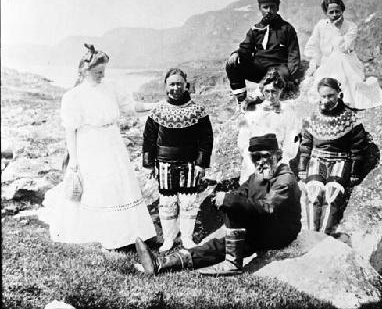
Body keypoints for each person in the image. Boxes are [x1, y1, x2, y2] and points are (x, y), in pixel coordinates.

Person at [39, 44, 156, 250]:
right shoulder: (73, 97)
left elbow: (130, 106)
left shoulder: (111, 88)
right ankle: (106, 236)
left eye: (104, 71)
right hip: (91, 147)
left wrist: (155, 105)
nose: (102, 75)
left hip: (113, 144)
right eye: (98, 72)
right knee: (100, 189)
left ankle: (131, 234)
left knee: (120, 186)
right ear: (85, 71)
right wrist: (74, 161)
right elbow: (70, 131)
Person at [135, 133, 302, 276]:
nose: (261, 161)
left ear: (278, 155)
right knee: (220, 243)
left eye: (266, 156)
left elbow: (268, 208)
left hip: (280, 232)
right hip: (263, 227)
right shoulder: (258, 175)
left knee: (232, 212)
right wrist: (223, 198)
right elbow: (240, 194)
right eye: (257, 157)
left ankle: (232, 265)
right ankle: (161, 263)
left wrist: (229, 200)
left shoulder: (284, 179)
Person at [142, 68, 214, 252]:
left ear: (186, 85)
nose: (175, 88)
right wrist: (149, 165)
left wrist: (201, 163)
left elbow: (206, 139)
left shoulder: (197, 111)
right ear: (165, 86)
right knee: (167, 202)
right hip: (164, 164)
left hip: (190, 163)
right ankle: (168, 239)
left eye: (179, 84)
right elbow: (149, 140)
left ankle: (187, 238)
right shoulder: (157, 111)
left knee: (188, 201)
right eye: (171, 84)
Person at [297, 78, 371, 235]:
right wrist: (302, 167)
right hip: (317, 158)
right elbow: (305, 144)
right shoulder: (312, 116)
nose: (326, 100)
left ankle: (323, 236)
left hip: (340, 159)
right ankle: (311, 235)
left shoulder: (350, 118)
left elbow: (357, 147)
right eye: (323, 96)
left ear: (339, 94)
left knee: (332, 194)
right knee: (313, 192)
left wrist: (354, 172)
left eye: (330, 95)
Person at [301, 0, 382, 109]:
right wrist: (314, 64)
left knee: (340, 59)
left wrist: (337, 29)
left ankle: (345, 100)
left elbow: (344, 48)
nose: (334, 15)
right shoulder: (321, 25)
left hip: (347, 62)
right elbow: (312, 46)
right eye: (331, 12)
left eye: (337, 11)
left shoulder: (351, 26)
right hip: (326, 63)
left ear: (342, 10)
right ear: (326, 13)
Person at [226, 0, 302, 105]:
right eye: (265, 7)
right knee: (233, 63)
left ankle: (262, 96)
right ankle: (241, 101)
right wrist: (237, 54)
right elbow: (246, 48)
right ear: (260, 8)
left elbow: (293, 54)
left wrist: (291, 77)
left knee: (273, 75)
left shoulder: (287, 29)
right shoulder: (255, 29)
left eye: (272, 7)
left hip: (278, 68)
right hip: (259, 69)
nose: (269, 10)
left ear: (278, 8)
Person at [237, 69, 301, 184]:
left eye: (274, 92)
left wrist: (281, 161)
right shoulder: (252, 112)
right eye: (267, 91)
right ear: (262, 91)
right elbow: (243, 141)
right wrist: (252, 162)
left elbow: (292, 141)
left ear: (281, 91)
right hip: (254, 161)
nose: (270, 96)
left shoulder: (288, 112)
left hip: (279, 161)